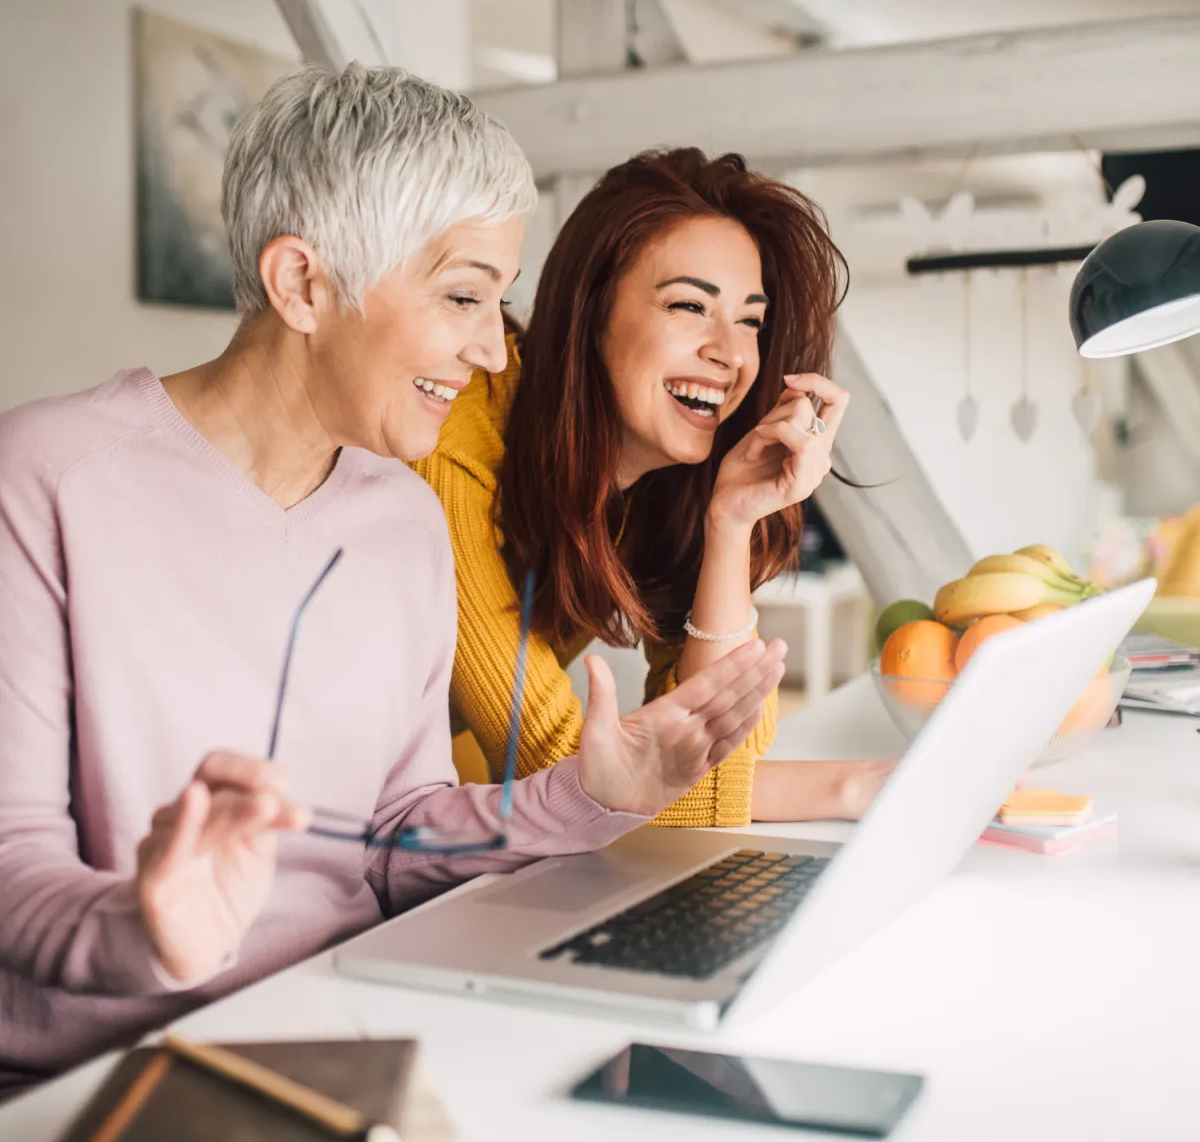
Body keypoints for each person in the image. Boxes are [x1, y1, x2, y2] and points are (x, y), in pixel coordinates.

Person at [0, 67, 785, 1094]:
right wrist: (148, 927)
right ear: (303, 285)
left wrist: (591, 795)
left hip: (354, 1023)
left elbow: (392, 840)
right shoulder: (46, 479)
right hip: (112, 1077)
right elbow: (12, 869)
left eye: (498, 302)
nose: (492, 351)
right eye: (461, 296)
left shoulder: (401, 515)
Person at [414, 148, 892, 827]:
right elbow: (570, 772)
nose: (730, 354)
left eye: (750, 320)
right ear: (592, 313)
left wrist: (732, 525)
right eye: (690, 306)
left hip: (469, 825)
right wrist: (851, 788)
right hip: (321, 839)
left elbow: (713, 754)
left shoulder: (663, 479)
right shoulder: (459, 439)